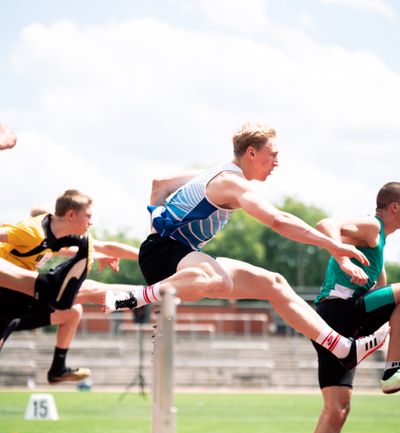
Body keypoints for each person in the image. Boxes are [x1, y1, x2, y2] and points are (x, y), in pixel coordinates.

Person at [103, 122, 388, 369]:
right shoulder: (232, 183)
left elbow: (159, 184)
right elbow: (278, 220)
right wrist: (333, 247)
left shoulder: (216, 173)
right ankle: (136, 296)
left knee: (275, 284)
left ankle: (342, 349)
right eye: (272, 156)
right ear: (251, 152)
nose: (276, 163)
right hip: (165, 254)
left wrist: (154, 230)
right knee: (215, 277)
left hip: (179, 256)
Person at [304, 181, 400, 433]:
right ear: (394, 207)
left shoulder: (381, 244)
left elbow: (383, 292)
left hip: (337, 321)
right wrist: (341, 256)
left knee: (337, 410)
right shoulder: (372, 227)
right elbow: (325, 225)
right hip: (337, 313)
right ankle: (393, 368)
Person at [0, 189, 139, 383]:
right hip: (7, 293)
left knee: (73, 311)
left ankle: (58, 369)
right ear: (71, 215)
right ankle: (149, 295)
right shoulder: (31, 232)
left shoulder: (59, 235)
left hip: (21, 302)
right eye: (88, 216)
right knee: (87, 289)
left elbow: (105, 247)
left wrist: (148, 257)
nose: (91, 222)